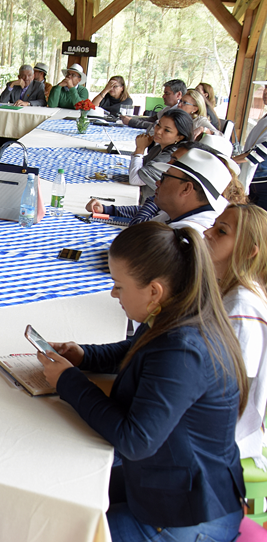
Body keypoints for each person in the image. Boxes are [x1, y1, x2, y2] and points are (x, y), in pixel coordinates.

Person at [38, 221, 247, 542]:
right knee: (59, 491)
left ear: (154, 290)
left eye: (119, 285)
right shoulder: (179, 313)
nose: (113, 293)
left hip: (189, 516)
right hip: (174, 483)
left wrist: (68, 381)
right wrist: (84, 356)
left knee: (59, 526)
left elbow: (135, 440)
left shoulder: (183, 348)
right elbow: (136, 350)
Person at [204, 203, 267, 463]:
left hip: (224, 436)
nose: (207, 233)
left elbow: (229, 393)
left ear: (249, 251)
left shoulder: (241, 308)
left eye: (221, 231)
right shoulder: (224, 288)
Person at [86, 146, 232, 232]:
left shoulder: (188, 232)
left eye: (165, 178)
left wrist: (155, 199)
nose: (157, 183)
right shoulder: (180, 211)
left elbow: (136, 236)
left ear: (187, 189)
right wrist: (108, 210)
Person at [127, 107, 192, 203]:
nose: (158, 131)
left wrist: (140, 149)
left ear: (179, 137)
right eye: (158, 125)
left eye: (167, 130)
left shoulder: (171, 156)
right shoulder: (158, 149)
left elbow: (135, 178)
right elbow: (136, 169)